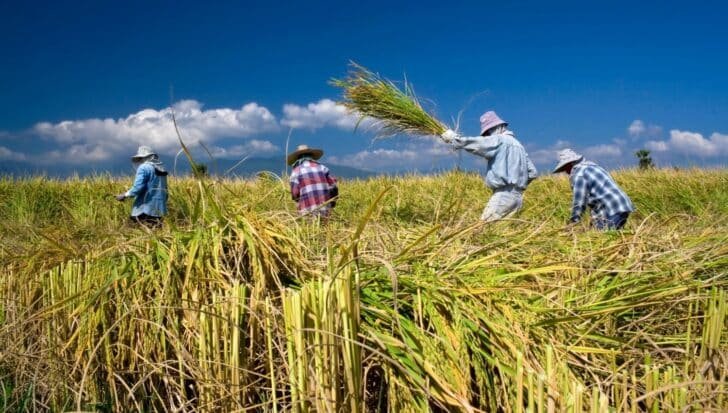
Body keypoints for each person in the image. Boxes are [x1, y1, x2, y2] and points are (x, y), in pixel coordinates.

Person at [440, 111, 538, 221]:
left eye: (488, 131)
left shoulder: (499, 140)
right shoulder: (519, 146)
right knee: (503, 233)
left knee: (483, 229)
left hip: (503, 196)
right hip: (518, 198)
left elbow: (478, 144)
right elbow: (533, 172)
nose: (488, 135)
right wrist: (517, 184)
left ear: (498, 127)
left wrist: (454, 138)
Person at [552, 148, 634, 230]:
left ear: (569, 164)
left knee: (603, 238)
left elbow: (579, 202)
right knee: (605, 233)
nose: (566, 172)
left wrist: (573, 222)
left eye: (565, 168)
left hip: (612, 207)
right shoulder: (591, 166)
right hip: (621, 204)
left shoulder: (579, 174)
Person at [116, 146, 169, 226]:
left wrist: (125, 195)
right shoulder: (162, 169)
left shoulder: (143, 168)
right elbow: (165, 189)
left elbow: (137, 188)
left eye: (141, 158)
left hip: (145, 208)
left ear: (145, 157)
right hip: (160, 209)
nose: (141, 160)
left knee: (134, 231)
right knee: (156, 234)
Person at [287, 144, 338, 218]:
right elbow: (334, 188)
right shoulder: (323, 168)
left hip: (307, 214)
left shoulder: (296, 171)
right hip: (326, 212)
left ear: (298, 158)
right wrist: (331, 205)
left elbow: (295, 194)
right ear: (311, 156)